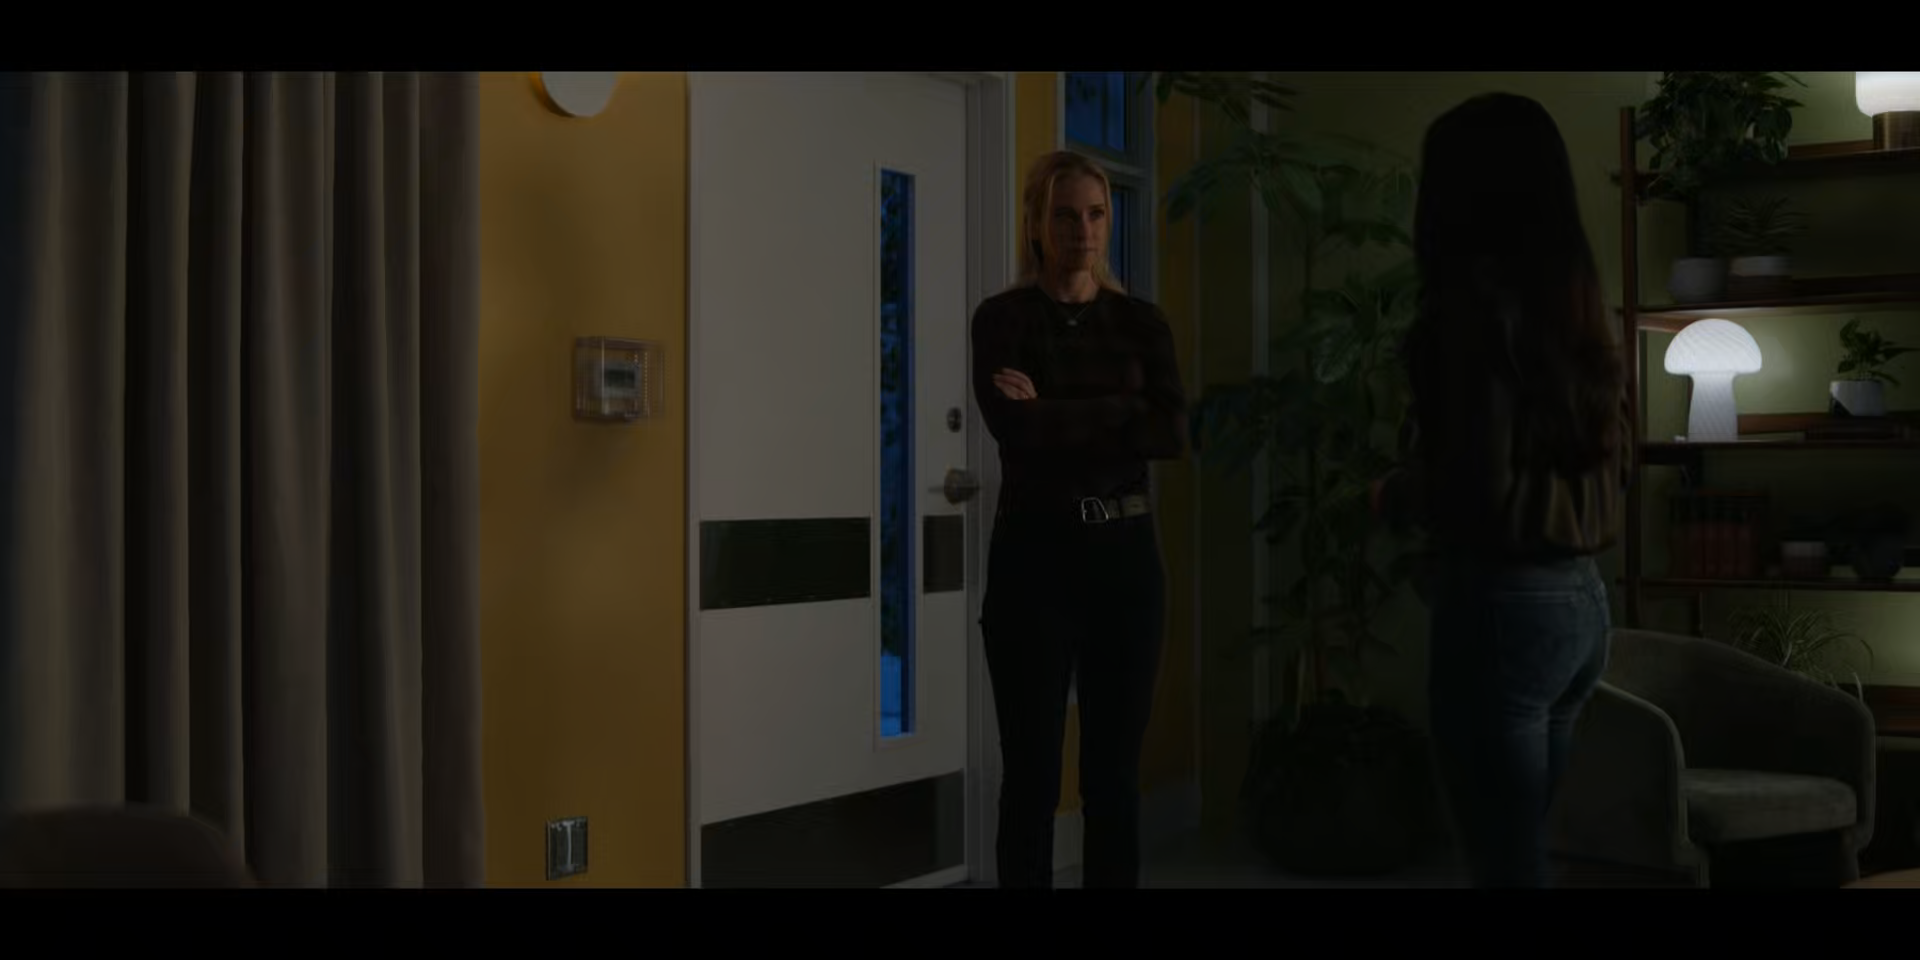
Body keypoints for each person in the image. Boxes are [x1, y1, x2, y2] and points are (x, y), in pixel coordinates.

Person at [1372, 93, 1634, 889]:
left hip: (1502, 606)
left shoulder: (1467, 312)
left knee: (1503, 864)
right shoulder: (1575, 301)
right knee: (1522, 855)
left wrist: (1396, 494)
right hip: (1581, 604)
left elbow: (1475, 486)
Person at [970, 150, 1187, 889]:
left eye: (1096, 214)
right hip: (1034, 559)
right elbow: (1014, 428)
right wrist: (1122, 411)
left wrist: (1054, 411)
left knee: (1113, 779)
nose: (1084, 231)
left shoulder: (1141, 323)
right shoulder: (1003, 319)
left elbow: (1169, 433)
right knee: (1031, 776)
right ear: (1037, 223)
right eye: (1066, 216)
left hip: (1125, 561)